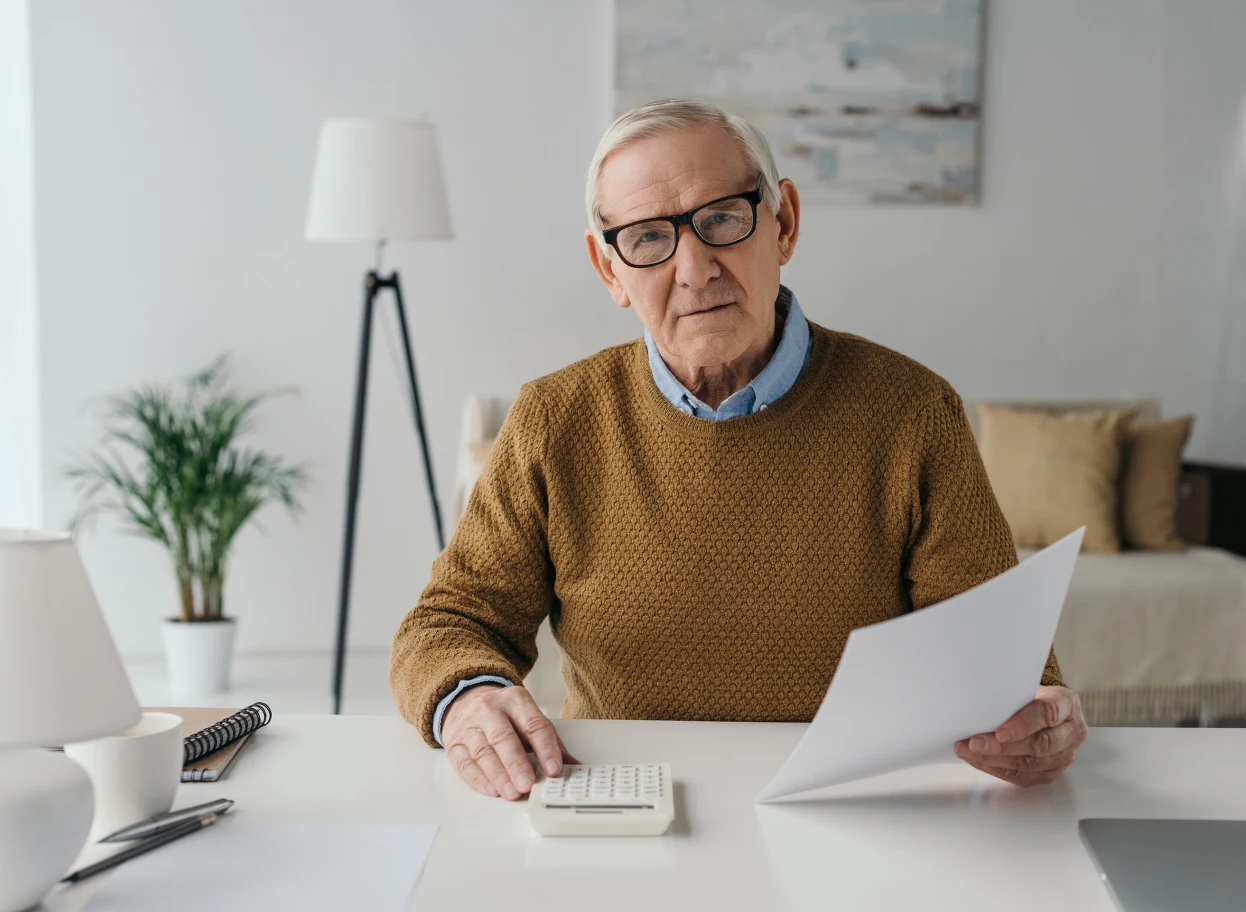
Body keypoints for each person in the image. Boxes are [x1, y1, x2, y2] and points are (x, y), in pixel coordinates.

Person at [390, 99, 1088, 802]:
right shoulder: (553, 418)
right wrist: (470, 700)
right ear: (609, 270)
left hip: (852, 811)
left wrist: (1032, 722)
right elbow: (449, 622)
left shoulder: (914, 413)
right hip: (624, 806)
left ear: (782, 222)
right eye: (647, 239)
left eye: (722, 218)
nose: (694, 270)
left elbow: (1000, 662)